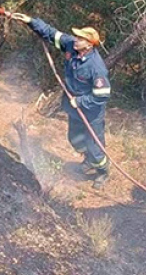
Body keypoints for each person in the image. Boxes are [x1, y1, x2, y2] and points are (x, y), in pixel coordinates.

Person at [10, 12, 112, 189]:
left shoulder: (97, 67)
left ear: (89, 45)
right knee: (75, 139)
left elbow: (102, 95)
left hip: (91, 112)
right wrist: (30, 21)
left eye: (80, 38)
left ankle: (102, 171)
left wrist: (80, 102)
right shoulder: (71, 46)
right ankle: (88, 160)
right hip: (73, 108)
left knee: (95, 148)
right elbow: (52, 33)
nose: (75, 39)